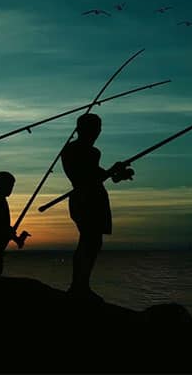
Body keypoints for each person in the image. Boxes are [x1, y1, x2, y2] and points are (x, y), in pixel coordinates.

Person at [61, 113, 134, 301]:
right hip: (84, 199)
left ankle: (81, 285)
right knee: (88, 240)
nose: (98, 132)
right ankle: (78, 286)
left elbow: (103, 176)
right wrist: (111, 171)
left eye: (99, 128)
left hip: (95, 198)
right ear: (81, 129)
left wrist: (119, 174)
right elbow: (85, 177)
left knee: (93, 242)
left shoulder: (93, 152)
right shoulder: (73, 150)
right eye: (94, 128)